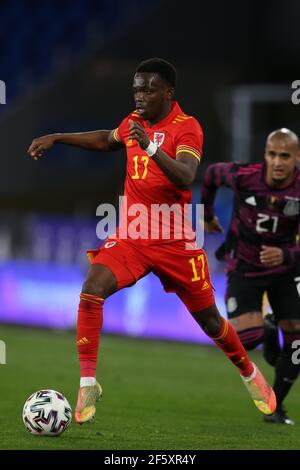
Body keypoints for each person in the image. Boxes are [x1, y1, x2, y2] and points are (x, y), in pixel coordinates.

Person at [28, 58, 275, 424]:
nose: (140, 95)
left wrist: (151, 149)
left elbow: (185, 175)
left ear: (168, 93)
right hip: (133, 233)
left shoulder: (187, 128)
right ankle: (88, 382)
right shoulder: (133, 122)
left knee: (209, 321)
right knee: (92, 288)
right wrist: (58, 137)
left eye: (148, 89)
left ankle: (248, 372)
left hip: (175, 239)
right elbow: (106, 139)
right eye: (136, 89)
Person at [201, 128, 300, 424]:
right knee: (249, 340)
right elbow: (210, 175)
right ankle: (268, 329)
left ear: (296, 158)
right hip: (244, 268)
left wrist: (287, 255)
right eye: (272, 154)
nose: (278, 161)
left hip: (285, 271)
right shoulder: (245, 175)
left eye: (285, 155)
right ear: (265, 155)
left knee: (297, 342)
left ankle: (275, 407)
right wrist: (206, 215)